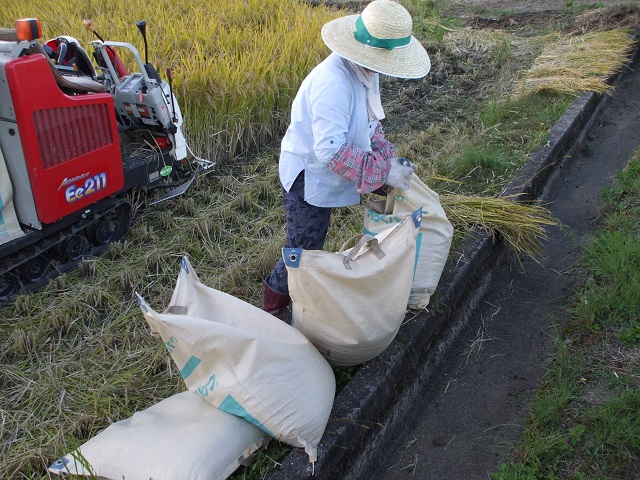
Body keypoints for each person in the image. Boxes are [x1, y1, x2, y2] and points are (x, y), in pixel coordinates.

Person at [263, 0, 431, 321]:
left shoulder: (367, 70)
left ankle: (304, 293)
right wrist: (383, 172)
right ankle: (274, 306)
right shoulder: (333, 83)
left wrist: (388, 158)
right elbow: (331, 151)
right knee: (304, 246)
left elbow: (371, 123)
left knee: (314, 239)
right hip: (308, 174)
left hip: (327, 165)